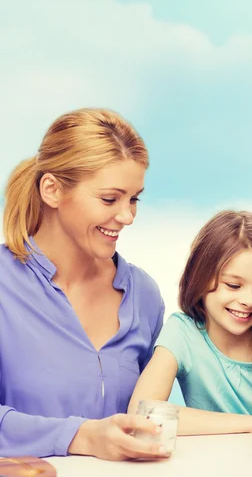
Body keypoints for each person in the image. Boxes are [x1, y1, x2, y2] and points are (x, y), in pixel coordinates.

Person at [0, 108, 167, 460]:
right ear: (52, 190)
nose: (127, 216)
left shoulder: (144, 295)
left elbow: (151, 413)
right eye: (110, 199)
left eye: (134, 199)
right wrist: (81, 436)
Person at [128, 210, 252, 434]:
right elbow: (141, 415)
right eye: (233, 285)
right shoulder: (183, 332)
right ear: (199, 276)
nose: (248, 301)